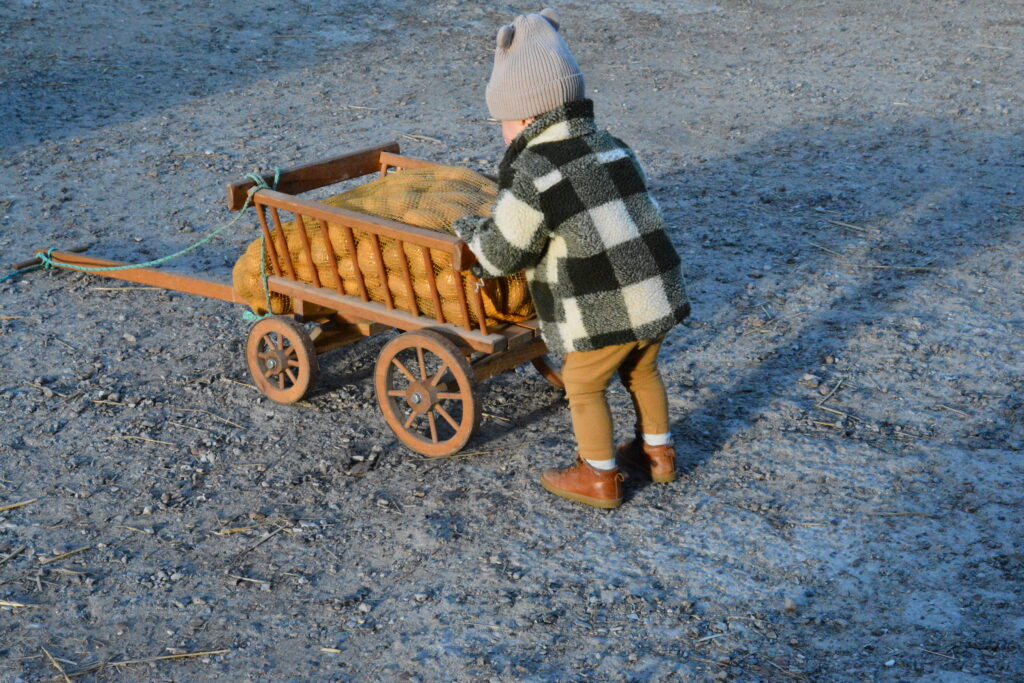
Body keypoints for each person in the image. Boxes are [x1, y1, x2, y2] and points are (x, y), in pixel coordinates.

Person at [453, 8, 690, 509]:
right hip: (658, 291)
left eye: (503, 123)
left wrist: (472, 232)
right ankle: (658, 455)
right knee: (642, 370)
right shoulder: (612, 147)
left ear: (526, 118)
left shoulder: (538, 169)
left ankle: (598, 477)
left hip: (608, 304)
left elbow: (502, 253)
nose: (502, 132)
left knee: (583, 384)